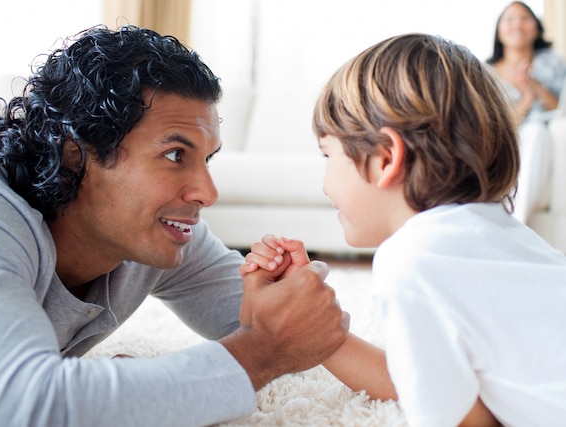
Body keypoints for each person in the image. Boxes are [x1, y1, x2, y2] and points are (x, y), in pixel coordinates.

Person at [0, 25, 349, 427]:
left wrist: (294, 302)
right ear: (73, 155)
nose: (208, 192)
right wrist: (260, 351)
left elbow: (289, 327)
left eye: (207, 160)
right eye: (175, 155)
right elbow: (1, 408)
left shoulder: (150, 234)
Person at [242, 33, 566, 426]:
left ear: (386, 158)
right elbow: (421, 382)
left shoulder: (409, 260)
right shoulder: (510, 238)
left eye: (328, 155)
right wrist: (317, 331)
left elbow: (469, 420)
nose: (324, 183)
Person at [486, 1, 566, 223]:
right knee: (530, 131)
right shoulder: (488, 73)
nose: (517, 25)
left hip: (547, 136)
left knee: (536, 131)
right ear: (499, 32)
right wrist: (527, 98)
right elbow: (500, 122)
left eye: (525, 19)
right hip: (510, 135)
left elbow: (560, 107)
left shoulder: (553, 62)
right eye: (509, 19)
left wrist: (534, 87)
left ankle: (516, 220)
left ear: (537, 28)